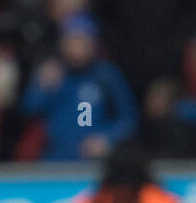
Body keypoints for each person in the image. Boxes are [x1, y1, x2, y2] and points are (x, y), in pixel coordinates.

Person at [20, 12, 137, 161]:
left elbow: (128, 120)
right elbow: (28, 110)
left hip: (94, 163)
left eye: (81, 40)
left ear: (93, 43)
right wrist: (41, 87)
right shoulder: (51, 72)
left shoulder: (106, 75)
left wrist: (107, 138)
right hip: (55, 161)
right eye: (71, 40)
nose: (76, 47)